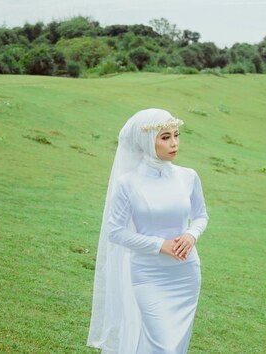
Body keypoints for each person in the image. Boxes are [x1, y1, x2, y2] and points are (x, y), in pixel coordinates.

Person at [87, 108, 209, 353]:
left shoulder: (188, 177)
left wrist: (190, 234)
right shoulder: (128, 184)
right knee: (161, 344)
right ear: (145, 140)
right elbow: (115, 232)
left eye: (176, 135)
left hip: (185, 273)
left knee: (175, 346)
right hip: (149, 274)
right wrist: (159, 245)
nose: (174, 143)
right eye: (165, 137)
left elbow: (200, 216)